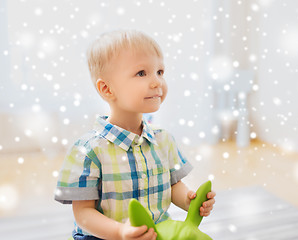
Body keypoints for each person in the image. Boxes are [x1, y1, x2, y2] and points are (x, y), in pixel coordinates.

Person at [54, 29, 216, 240]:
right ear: (107, 89)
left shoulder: (163, 140)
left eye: (160, 72)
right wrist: (120, 232)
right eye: (142, 73)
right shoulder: (88, 150)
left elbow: (173, 185)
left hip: (156, 233)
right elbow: (83, 214)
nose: (157, 82)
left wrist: (189, 201)